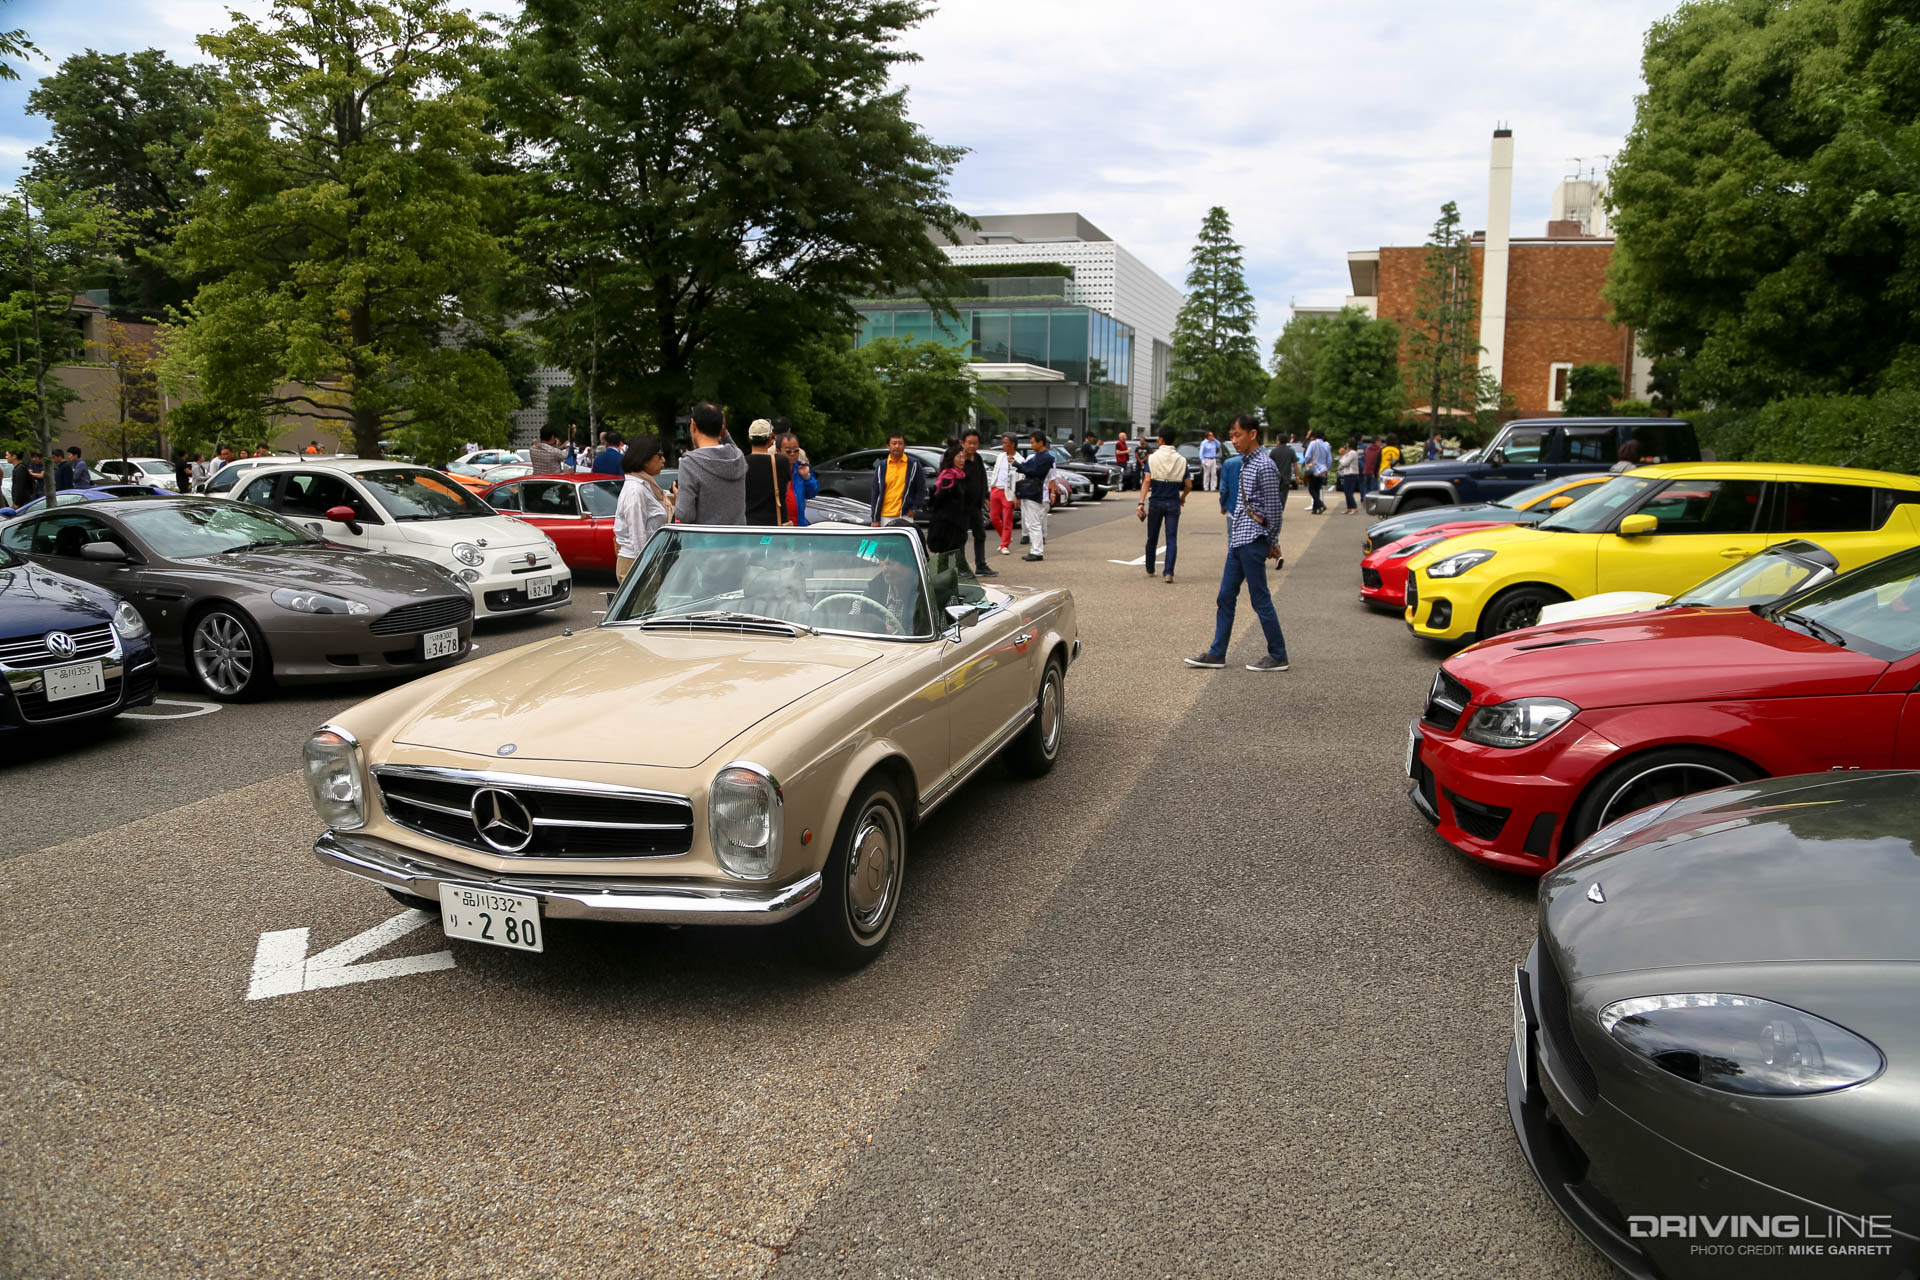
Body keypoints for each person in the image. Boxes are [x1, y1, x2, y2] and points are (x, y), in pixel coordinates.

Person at [1185, 414, 1288, 673]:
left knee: (1260, 598)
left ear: (1253, 434)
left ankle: (1278, 655)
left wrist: (1272, 541)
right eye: (1231, 436)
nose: (1233, 440)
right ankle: (1217, 653)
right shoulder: (1245, 463)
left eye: (1237, 435)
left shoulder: (1264, 465)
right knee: (1225, 597)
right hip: (1239, 540)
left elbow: (1274, 508)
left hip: (1253, 540)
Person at [674, 402, 746, 524]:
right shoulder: (737, 458)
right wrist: (725, 434)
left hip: (705, 541)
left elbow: (685, 515)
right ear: (721, 427)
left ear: (693, 425)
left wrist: (678, 497)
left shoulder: (690, 463)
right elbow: (735, 449)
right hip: (738, 539)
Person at [613, 433, 672, 580]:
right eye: (660, 455)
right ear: (645, 459)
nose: (663, 460)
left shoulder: (647, 486)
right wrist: (646, 569)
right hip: (637, 563)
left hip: (648, 560)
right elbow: (638, 536)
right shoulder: (636, 490)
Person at [1140, 428, 1190, 583]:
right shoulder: (1181, 460)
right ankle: (1169, 572)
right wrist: (1183, 497)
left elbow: (1147, 481)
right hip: (1173, 500)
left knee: (1152, 537)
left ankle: (1150, 568)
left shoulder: (1153, 458)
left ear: (1161, 440)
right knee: (1171, 538)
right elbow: (1188, 484)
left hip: (1156, 500)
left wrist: (1141, 502)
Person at [867, 431, 929, 526]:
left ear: (905, 446)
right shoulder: (881, 466)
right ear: (888, 446)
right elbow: (875, 493)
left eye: (900, 443)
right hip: (885, 515)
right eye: (894, 443)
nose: (897, 446)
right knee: (886, 541)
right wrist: (875, 518)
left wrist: (914, 508)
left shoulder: (914, 465)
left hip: (905, 515)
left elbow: (921, 488)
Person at [741, 419, 794, 526]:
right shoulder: (781, 462)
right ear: (771, 438)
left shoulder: (741, 463)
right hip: (775, 524)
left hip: (748, 524)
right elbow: (786, 488)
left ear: (749, 438)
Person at [957, 428, 995, 576]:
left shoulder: (977, 458)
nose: (972, 446)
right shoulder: (959, 459)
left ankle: (981, 565)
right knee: (961, 537)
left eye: (975, 443)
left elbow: (982, 478)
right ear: (962, 443)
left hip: (976, 506)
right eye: (969, 443)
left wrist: (986, 497)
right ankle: (961, 568)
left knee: (980, 534)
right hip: (961, 506)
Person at [925, 441, 971, 561]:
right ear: (952, 459)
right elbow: (939, 500)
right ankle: (944, 577)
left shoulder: (961, 475)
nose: (962, 460)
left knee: (958, 551)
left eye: (963, 457)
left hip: (958, 521)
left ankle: (961, 574)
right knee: (945, 554)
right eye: (959, 457)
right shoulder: (948, 477)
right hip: (946, 522)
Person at [1015, 430, 1054, 561]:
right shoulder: (1037, 456)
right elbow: (1027, 467)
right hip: (1031, 490)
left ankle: (1037, 551)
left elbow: (1033, 471)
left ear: (1040, 442)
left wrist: (1017, 465)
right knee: (1030, 522)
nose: (1031, 445)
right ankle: (1034, 550)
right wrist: (1019, 465)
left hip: (1034, 491)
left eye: (1032, 442)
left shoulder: (1046, 458)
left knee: (1034, 522)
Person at [777, 431, 818, 526]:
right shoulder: (772, 469)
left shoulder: (801, 467)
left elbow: (812, 493)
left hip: (799, 524)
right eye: (788, 451)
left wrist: (806, 477)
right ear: (778, 451)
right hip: (779, 525)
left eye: (796, 450)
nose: (792, 454)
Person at [988, 434, 1019, 555]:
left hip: (1009, 491)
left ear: (1012, 444)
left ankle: (1004, 544)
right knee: (994, 517)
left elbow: (1020, 478)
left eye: (1006, 443)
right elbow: (996, 471)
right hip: (996, 489)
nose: (1003, 445)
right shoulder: (1000, 456)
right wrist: (992, 485)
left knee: (1007, 519)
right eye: (1003, 442)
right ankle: (1005, 537)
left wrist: (1017, 496)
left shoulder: (1019, 459)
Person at [1302, 429, 1332, 515]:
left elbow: (1307, 456)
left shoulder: (1313, 443)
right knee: (1317, 489)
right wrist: (1327, 468)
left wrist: (1307, 463)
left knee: (1311, 489)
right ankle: (1315, 509)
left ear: (1314, 436)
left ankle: (1320, 504)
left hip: (1314, 468)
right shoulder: (1327, 445)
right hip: (1322, 469)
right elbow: (1329, 460)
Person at [1337, 437, 1362, 514]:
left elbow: (1345, 463)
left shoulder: (1352, 453)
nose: (1346, 445)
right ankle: (1349, 507)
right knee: (1346, 491)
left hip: (1351, 474)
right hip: (1348, 474)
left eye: (1347, 443)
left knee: (1349, 492)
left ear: (1350, 444)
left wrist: (1341, 457)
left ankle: (1353, 507)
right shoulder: (1349, 453)